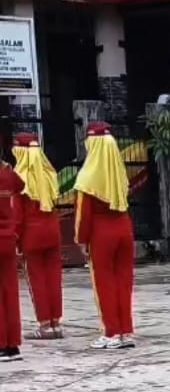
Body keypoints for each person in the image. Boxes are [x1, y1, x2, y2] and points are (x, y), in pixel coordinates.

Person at [74, 121, 136, 350]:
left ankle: (111, 332)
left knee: (104, 282)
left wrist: (81, 240)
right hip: (124, 228)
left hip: (101, 234)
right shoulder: (119, 174)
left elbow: (83, 215)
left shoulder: (87, 177)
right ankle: (125, 331)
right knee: (124, 281)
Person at [12, 133, 63, 340]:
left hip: (32, 235)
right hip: (52, 231)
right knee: (54, 278)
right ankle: (56, 322)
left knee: (37, 279)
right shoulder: (49, 173)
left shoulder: (19, 178)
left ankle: (44, 325)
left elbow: (17, 216)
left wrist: (16, 241)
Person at [0, 160, 25, 362]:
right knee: (10, 292)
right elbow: (21, 185)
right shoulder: (7, 171)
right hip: (8, 237)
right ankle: (13, 344)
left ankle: (1, 344)